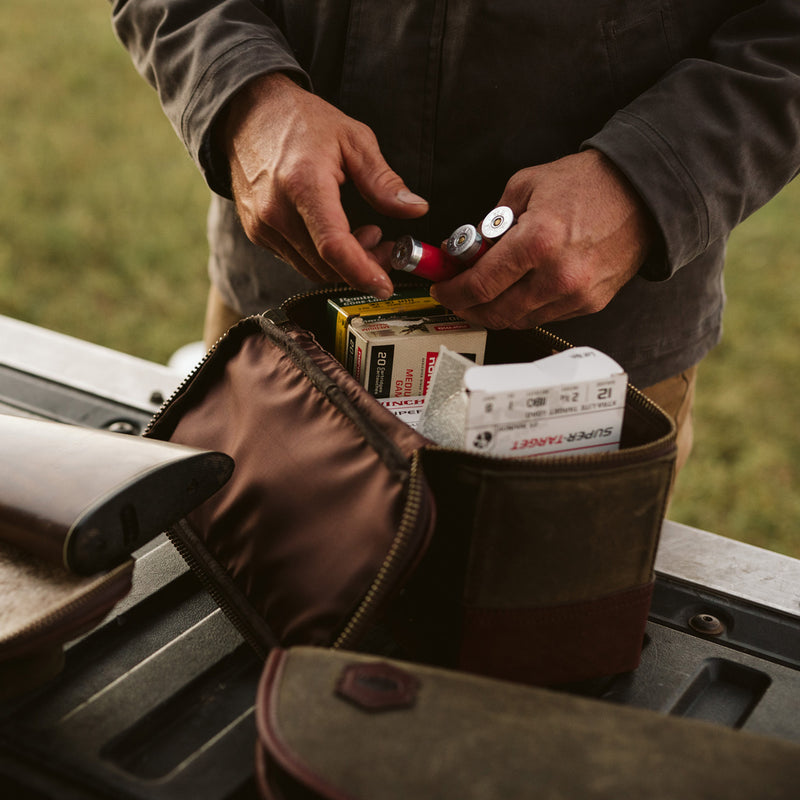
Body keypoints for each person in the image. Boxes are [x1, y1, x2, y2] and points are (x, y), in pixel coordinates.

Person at [111, 0, 800, 475]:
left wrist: (648, 179)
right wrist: (243, 93)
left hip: (578, 353)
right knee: (247, 599)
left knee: (546, 632)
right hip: (290, 310)